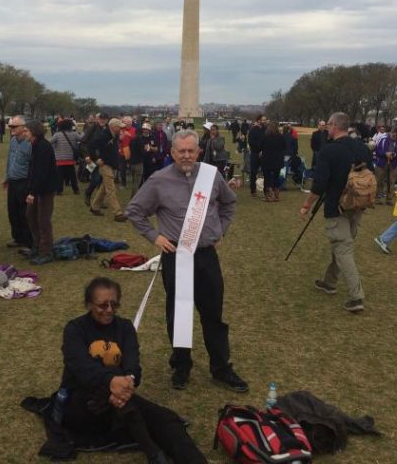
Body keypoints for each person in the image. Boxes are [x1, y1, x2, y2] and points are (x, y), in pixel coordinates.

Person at [125, 130, 248, 393]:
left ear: (198, 151)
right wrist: (154, 236)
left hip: (206, 256)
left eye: (191, 150)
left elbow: (229, 203)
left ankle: (221, 367)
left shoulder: (211, 175)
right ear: (171, 153)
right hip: (176, 256)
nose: (186, 155)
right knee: (178, 314)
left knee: (213, 314)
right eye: (181, 151)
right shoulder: (158, 180)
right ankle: (181, 365)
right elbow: (134, 211)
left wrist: (221, 230)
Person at [56, 277, 207, 464]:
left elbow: (133, 363)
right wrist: (112, 383)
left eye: (114, 304)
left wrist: (129, 380)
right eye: (102, 305)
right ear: (88, 304)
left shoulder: (125, 327)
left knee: (166, 419)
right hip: (84, 404)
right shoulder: (75, 329)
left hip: (121, 395)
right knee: (113, 397)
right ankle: (154, 454)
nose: (109, 310)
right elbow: (81, 368)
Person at [298, 112, 373, 313]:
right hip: (357, 206)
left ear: (333, 126)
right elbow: (371, 173)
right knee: (342, 245)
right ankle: (329, 282)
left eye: (328, 125)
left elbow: (319, 184)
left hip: (336, 207)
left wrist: (306, 205)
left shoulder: (328, 151)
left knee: (343, 248)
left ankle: (356, 297)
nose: (326, 128)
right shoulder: (362, 148)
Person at [25, 120, 59, 266]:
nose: (24, 133)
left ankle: (46, 252)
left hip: (45, 190)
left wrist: (33, 191)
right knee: (30, 216)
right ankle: (37, 246)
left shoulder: (44, 147)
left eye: (26, 130)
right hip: (36, 188)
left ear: (34, 132)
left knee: (43, 220)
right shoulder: (35, 145)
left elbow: (42, 172)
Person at [89, 118, 127, 222]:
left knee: (104, 188)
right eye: (120, 127)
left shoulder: (114, 135)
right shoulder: (103, 135)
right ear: (113, 127)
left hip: (111, 164)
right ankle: (118, 213)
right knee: (111, 189)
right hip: (105, 165)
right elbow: (91, 146)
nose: (121, 129)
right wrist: (96, 159)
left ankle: (95, 207)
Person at [4, 115, 34, 250]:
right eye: (10, 126)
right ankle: (18, 237)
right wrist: (7, 176)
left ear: (23, 127)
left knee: (24, 213)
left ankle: (28, 240)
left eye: (14, 126)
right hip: (13, 181)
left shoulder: (30, 143)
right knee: (13, 211)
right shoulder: (12, 141)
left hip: (24, 181)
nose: (11, 129)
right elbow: (10, 159)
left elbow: (34, 165)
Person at [50, 118, 82, 195]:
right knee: (72, 176)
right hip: (70, 159)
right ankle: (76, 190)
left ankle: (59, 190)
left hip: (59, 159)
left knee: (59, 177)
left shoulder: (57, 135)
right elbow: (82, 139)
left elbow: (50, 142)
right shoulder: (74, 134)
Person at [374, 128, 397, 205]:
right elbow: (377, 150)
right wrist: (385, 154)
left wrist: (395, 155)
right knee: (379, 180)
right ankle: (376, 198)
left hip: (393, 164)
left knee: (391, 182)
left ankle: (389, 199)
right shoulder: (382, 138)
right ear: (390, 132)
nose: (394, 135)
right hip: (382, 163)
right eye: (393, 132)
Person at [260, 121, 285, 202]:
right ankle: (276, 195)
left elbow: (261, 147)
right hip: (277, 160)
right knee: (276, 178)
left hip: (267, 160)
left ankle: (269, 195)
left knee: (267, 178)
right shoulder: (281, 137)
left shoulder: (265, 137)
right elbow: (284, 147)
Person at [247, 115, 267, 196]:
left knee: (266, 172)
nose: (265, 121)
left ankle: (266, 190)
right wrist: (259, 149)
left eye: (265, 120)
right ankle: (253, 191)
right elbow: (251, 142)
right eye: (263, 120)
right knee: (253, 173)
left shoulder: (266, 130)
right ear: (258, 120)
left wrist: (263, 150)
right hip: (255, 153)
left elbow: (267, 141)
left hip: (264, 153)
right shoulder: (253, 130)